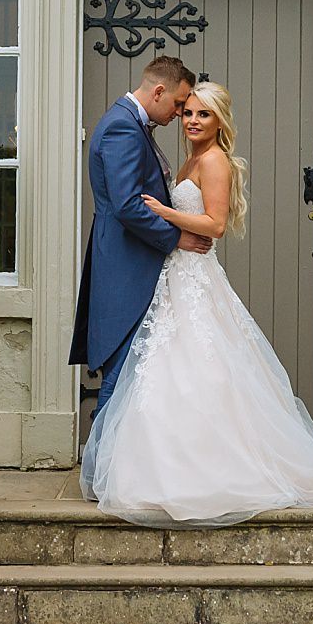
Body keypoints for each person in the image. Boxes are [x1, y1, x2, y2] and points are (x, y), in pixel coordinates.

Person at [79, 79, 313, 526]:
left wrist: (164, 213)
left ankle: (214, 473)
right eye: (188, 113)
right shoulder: (190, 159)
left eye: (203, 114)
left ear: (220, 120)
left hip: (196, 277)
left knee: (204, 372)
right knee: (168, 373)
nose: (193, 121)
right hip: (175, 278)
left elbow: (214, 225)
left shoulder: (215, 160)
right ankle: (156, 470)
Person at [70, 56, 214, 419]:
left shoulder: (131, 124)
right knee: (120, 376)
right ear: (159, 91)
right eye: (180, 105)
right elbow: (128, 206)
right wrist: (176, 238)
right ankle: (100, 472)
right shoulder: (123, 128)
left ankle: (109, 470)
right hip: (125, 266)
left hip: (131, 262)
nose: (181, 114)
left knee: (131, 375)